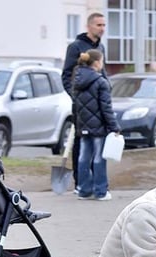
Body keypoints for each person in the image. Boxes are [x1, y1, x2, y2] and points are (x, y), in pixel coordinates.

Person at [62, 13, 106, 194]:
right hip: (82, 108)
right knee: (81, 145)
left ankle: (96, 183)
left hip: (99, 106)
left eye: (104, 25)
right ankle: (80, 183)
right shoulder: (76, 47)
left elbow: (102, 74)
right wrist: (77, 98)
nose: (102, 28)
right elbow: (66, 76)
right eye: (98, 25)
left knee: (98, 146)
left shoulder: (101, 47)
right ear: (89, 26)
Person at [73, 50, 120, 201]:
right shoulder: (101, 82)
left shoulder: (77, 79)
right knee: (99, 158)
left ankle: (84, 190)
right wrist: (114, 127)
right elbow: (106, 108)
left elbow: (76, 106)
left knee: (83, 158)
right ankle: (100, 191)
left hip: (83, 126)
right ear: (97, 62)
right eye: (102, 61)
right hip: (98, 127)